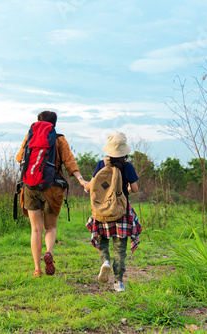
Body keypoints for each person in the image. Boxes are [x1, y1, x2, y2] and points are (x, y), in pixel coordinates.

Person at [16, 110, 88, 278]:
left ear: (38, 121)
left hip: (30, 187)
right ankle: (49, 251)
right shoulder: (59, 139)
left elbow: (20, 158)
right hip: (53, 188)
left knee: (35, 229)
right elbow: (69, 162)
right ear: (54, 124)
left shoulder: (30, 136)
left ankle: (37, 269)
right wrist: (81, 180)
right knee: (51, 227)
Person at [85, 131, 142, 292]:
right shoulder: (128, 166)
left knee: (103, 240)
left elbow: (91, 186)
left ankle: (105, 261)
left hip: (102, 210)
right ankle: (118, 282)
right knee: (120, 249)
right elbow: (135, 189)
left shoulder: (101, 164)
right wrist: (128, 187)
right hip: (121, 212)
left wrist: (84, 183)